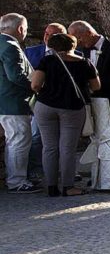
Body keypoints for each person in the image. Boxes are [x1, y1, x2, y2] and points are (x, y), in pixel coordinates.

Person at [28, 32, 99, 197]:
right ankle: (68, 186)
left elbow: (35, 84)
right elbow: (96, 86)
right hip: (72, 107)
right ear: (73, 45)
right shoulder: (85, 63)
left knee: (49, 147)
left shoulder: (47, 61)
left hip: (46, 106)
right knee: (68, 148)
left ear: (52, 46)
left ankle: (52, 186)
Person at [68, 20, 110, 140]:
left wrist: (93, 86)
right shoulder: (83, 50)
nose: (79, 43)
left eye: (80, 38)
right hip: (93, 100)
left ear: (89, 33)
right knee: (95, 135)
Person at [0, 13, 36, 192]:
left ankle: (13, 178)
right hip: (13, 100)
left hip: (4, 100)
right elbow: (16, 76)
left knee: (12, 141)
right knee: (19, 140)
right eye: (26, 29)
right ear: (20, 29)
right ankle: (17, 181)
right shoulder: (10, 46)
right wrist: (35, 86)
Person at [24, 22, 64, 179]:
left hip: (64, 102)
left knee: (65, 138)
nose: (48, 37)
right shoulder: (30, 52)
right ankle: (36, 169)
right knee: (36, 137)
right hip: (39, 102)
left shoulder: (76, 54)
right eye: (46, 33)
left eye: (53, 35)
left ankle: (64, 170)